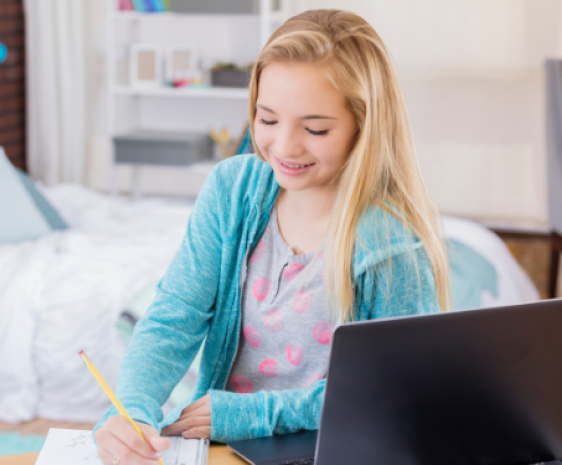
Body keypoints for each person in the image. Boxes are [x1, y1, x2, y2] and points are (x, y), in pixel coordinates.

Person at [93, 9, 451, 465]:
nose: (283, 147)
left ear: (364, 125)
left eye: (315, 128)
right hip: (220, 450)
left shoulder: (392, 244)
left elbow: (398, 390)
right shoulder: (232, 190)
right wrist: (132, 411)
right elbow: (173, 317)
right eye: (267, 120)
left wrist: (249, 415)